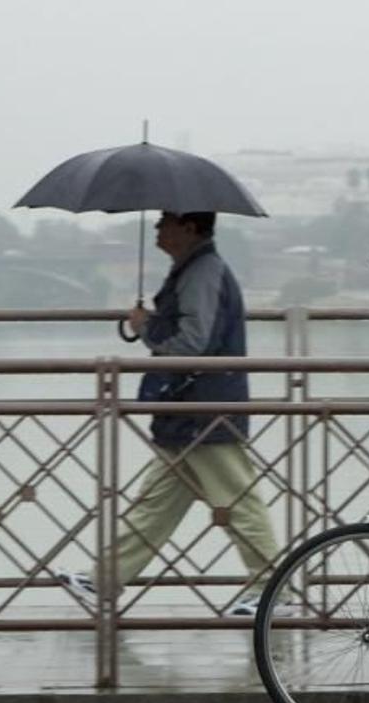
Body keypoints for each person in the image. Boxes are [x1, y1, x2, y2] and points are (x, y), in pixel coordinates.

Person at [56, 210, 279, 616]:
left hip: (203, 408)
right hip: (186, 409)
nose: (157, 228)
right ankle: (103, 580)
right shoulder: (193, 269)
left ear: (189, 228)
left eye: (165, 222)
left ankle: (273, 592)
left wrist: (147, 328)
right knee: (155, 504)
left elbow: (194, 343)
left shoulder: (203, 271)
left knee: (239, 499)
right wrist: (152, 324)